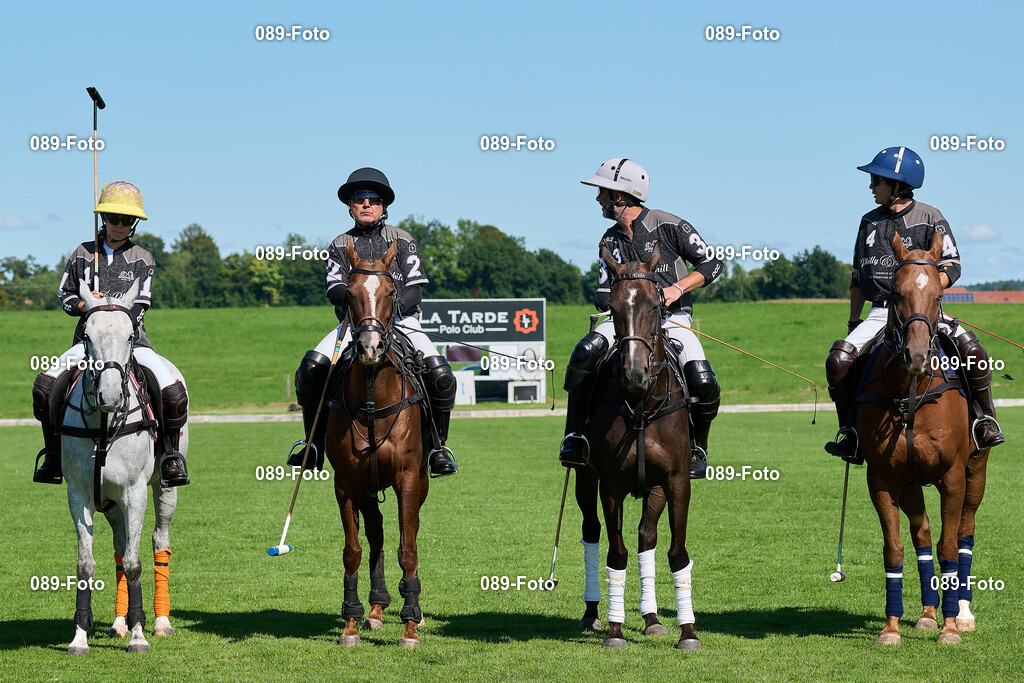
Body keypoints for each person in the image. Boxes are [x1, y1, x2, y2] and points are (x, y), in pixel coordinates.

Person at [825, 146, 1005, 463]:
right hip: (880, 312)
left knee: (974, 352)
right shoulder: (868, 222)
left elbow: (952, 265)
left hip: (923, 310)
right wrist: (854, 322)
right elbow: (857, 277)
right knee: (838, 361)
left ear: (896, 184)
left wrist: (928, 292)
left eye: (876, 180)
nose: (870, 187)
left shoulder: (931, 217)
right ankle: (850, 431)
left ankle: (983, 420)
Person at [559, 159, 724, 479]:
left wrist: (676, 290)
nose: (598, 199)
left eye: (602, 192)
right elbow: (601, 293)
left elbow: (712, 264)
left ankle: (697, 448)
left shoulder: (669, 224)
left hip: (672, 320)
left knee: (702, 379)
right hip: (623, 322)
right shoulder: (609, 240)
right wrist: (629, 302)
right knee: (583, 354)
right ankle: (575, 435)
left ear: (620, 196)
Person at [289, 167, 458, 477]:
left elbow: (416, 289)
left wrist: (389, 315)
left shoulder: (403, 240)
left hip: (402, 320)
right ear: (350, 206)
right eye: (359, 199)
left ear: (383, 206)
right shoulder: (340, 244)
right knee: (309, 370)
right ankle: (312, 446)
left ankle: (438, 447)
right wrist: (364, 315)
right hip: (354, 324)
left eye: (373, 200)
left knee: (441, 374)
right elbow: (336, 290)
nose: (366, 204)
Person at [32, 181, 190, 486]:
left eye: (126, 220)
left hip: (134, 343)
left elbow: (142, 302)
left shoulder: (142, 258)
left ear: (133, 224)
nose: (118, 225)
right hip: (87, 345)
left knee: (171, 389)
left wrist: (115, 321)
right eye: (113, 219)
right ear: (103, 219)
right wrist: (84, 305)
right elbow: (64, 294)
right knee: (45, 386)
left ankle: (169, 457)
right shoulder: (82, 253)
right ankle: (53, 455)